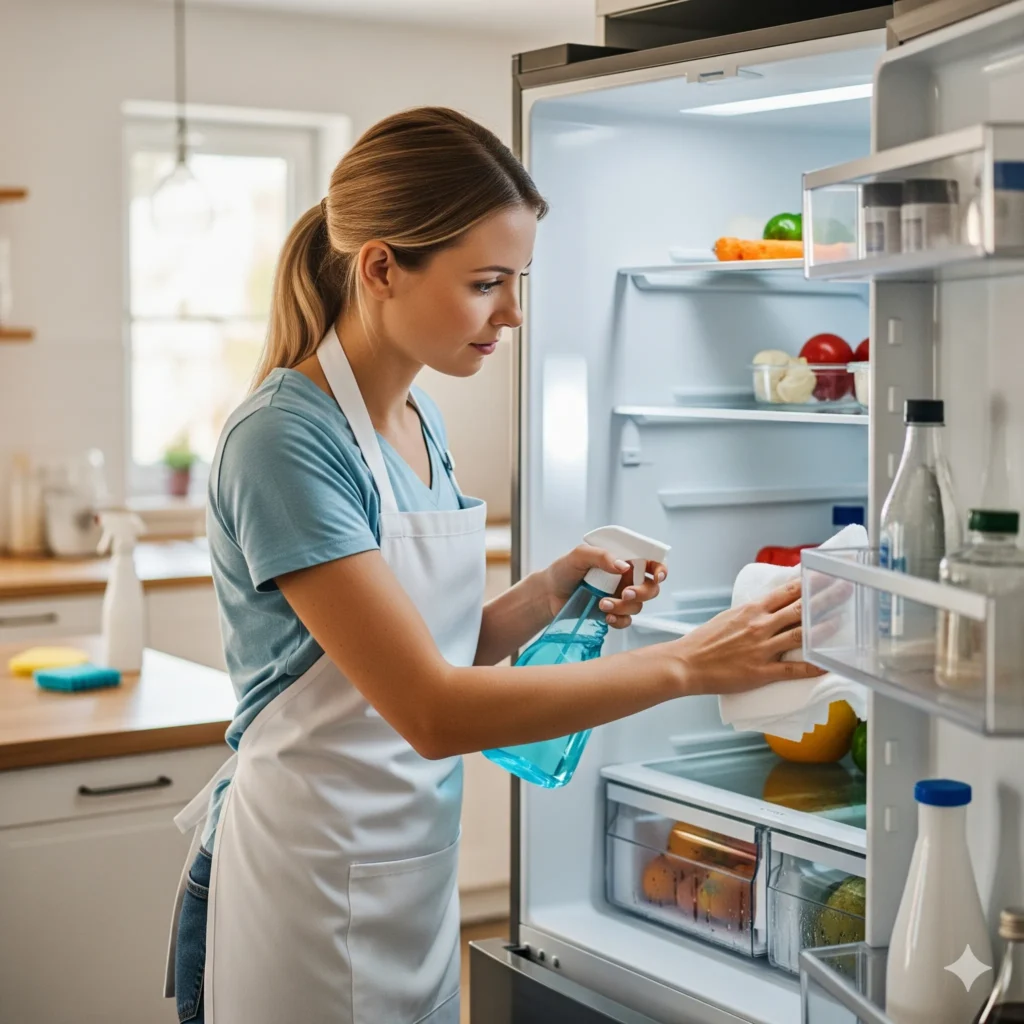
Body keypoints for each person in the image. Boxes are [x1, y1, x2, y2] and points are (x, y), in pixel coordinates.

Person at [165, 107, 823, 1024]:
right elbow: (430, 709)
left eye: (518, 281)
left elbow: (442, 645)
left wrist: (553, 586)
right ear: (382, 266)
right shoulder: (285, 439)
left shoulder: (415, 419)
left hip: (408, 868)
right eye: (485, 284)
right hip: (304, 880)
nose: (513, 313)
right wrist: (687, 665)